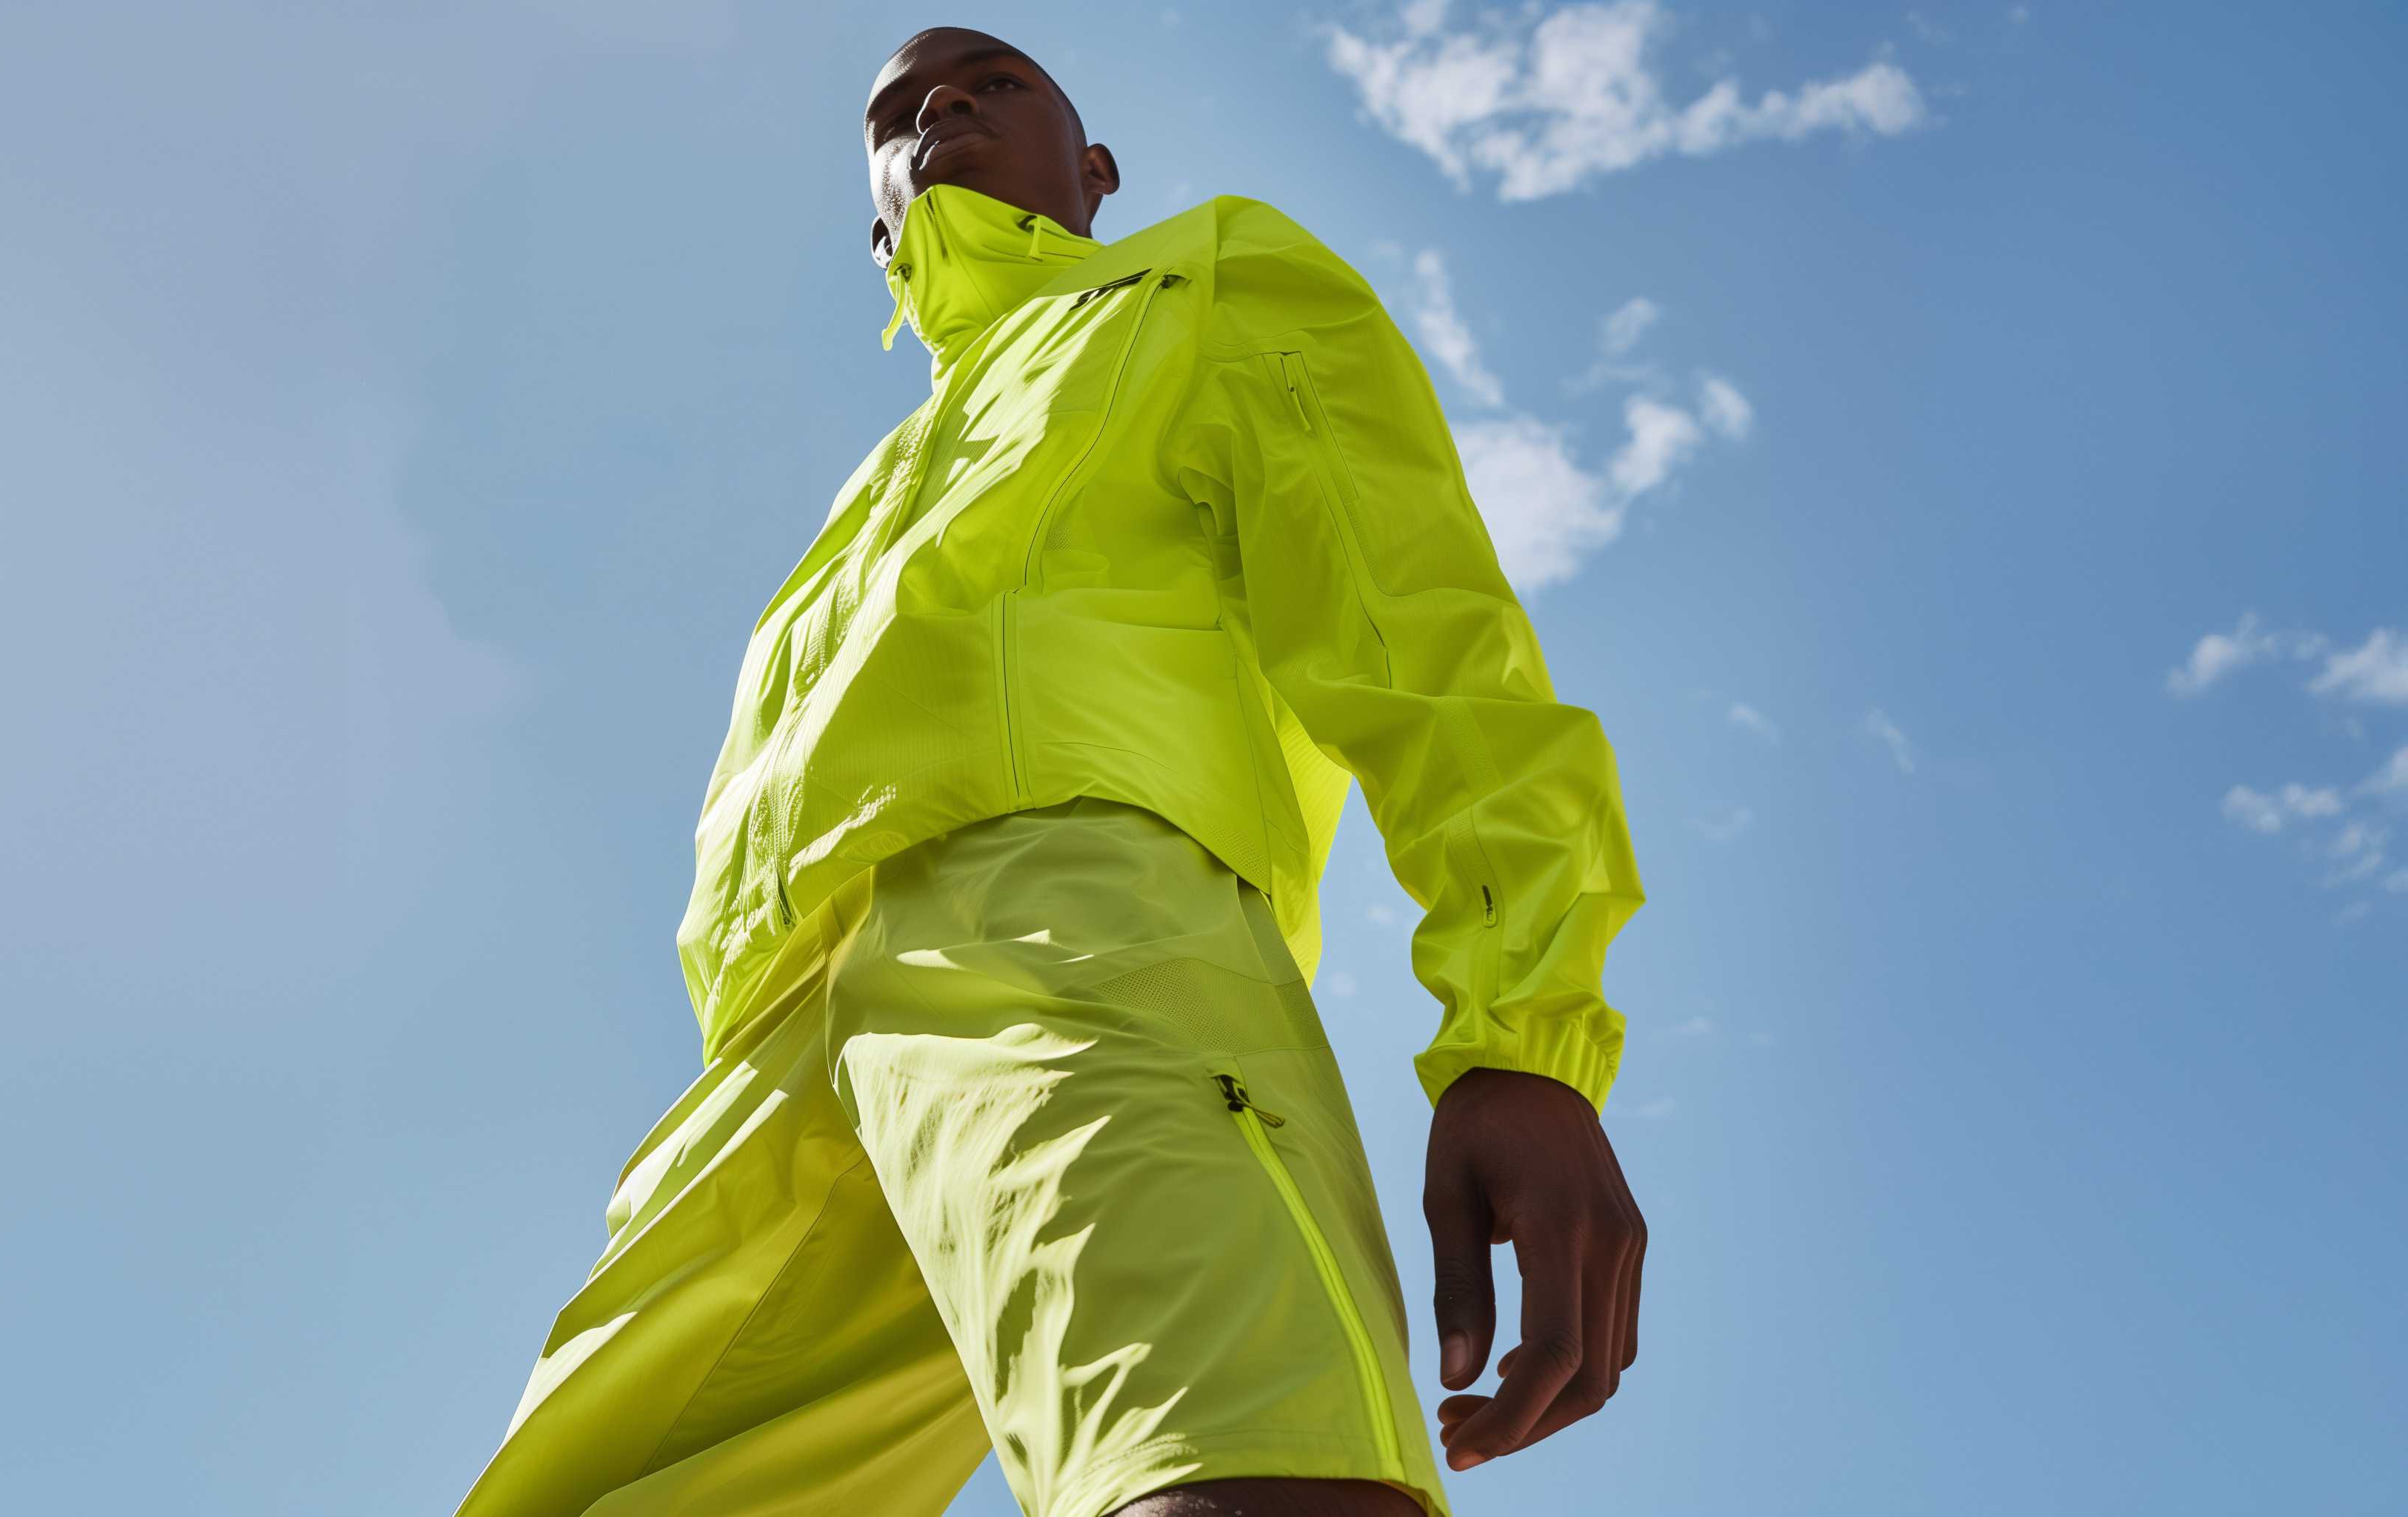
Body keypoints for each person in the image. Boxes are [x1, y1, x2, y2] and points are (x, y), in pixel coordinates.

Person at [451, 25, 1648, 1517]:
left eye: (992, 83)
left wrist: (1521, 1035)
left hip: (1078, 931)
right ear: (879, 232)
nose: (940, 104)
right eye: (896, 114)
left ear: (1095, 171)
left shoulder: (1202, 284)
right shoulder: (865, 495)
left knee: (1220, 1466)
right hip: (774, 1059)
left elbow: (1417, 629)